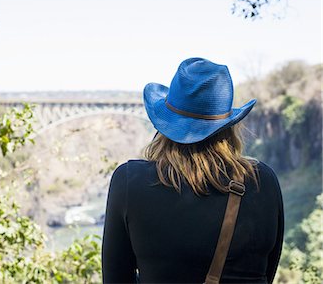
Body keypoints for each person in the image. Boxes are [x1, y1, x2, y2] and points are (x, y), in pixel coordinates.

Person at [101, 58, 284, 284]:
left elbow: (116, 278)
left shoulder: (130, 181)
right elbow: (267, 272)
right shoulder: (262, 181)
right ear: (228, 127)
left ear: (165, 124)